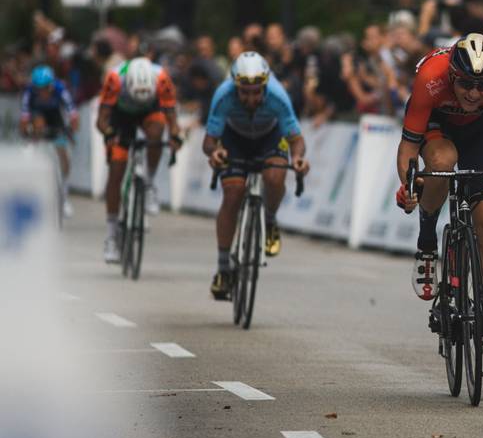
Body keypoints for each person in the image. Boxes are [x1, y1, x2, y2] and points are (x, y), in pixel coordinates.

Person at [395, 33, 483, 377]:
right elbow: (408, 150)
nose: (474, 93)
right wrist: (409, 185)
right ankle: (427, 244)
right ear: (453, 76)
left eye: (482, 86)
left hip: (479, 132)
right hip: (436, 129)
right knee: (443, 160)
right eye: (466, 85)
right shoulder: (431, 78)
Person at [203, 52, 310, 300]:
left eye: (256, 92)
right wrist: (216, 151)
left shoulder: (277, 96)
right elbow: (209, 141)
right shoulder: (223, 95)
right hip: (234, 139)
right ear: (235, 86)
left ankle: (270, 221)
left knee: (275, 177)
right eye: (244, 92)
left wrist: (297, 159)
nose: (251, 98)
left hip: (269, 138)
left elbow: (296, 138)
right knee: (232, 194)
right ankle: (223, 269)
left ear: (264, 85)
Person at [96, 57, 182, 263]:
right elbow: (101, 119)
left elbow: (172, 120)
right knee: (116, 171)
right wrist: (109, 133)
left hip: (150, 112)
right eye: (136, 96)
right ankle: (111, 235)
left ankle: (149, 183)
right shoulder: (115, 79)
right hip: (120, 116)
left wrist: (175, 138)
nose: (139, 99)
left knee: (157, 131)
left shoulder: (162, 79)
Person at [19, 65, 79, 216]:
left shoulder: (60, 89)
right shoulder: (29, 91)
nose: (42, 91)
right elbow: (24, 118)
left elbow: (73, 114)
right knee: (38, 124)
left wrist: (71, 130)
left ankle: (64, 197)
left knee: (63, 156)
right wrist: (27, 133)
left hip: (56, 117)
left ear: (51, 85)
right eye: (38, 88)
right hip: (38, 116)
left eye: (45, 88)